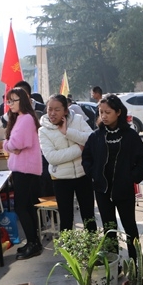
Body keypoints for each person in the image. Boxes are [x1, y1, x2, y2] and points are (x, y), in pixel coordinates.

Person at [82, 94, 143, 260]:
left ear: (118, 112)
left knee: (130, 227)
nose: (104, 116)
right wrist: (94, 174)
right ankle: (113, 264)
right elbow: (86, 158)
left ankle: (135, 262)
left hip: (124, 189)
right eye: (101, 112)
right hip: (102, 190)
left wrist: (131, 178)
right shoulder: (96, 136)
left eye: (108, 112)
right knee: (109, 228)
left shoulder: (130, 135)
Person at [39, 94, 96, 232]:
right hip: (61, 179)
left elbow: (92, 139)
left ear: (65, 110)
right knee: (66, 219)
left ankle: (93, 243)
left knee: (89, 217)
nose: (52, 113)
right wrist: (79, 149)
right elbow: (52, 158)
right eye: (50, 109)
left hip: (83, 175)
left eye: (57, 109)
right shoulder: (43, 130)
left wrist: (68, 132)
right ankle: (68, 246)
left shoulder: (78, 119)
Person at [3, 87, 43, 260]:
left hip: (25, 169)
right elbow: (14, 144)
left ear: (23, 101)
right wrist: (10, 145)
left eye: (13, 100)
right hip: (24, 168)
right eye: (9, 101)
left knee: (21, 207)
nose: (10, 104)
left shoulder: (26, 118)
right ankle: (33, 242)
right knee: (26, 206)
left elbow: (15, 144)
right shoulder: (21, 117)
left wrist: (6, 144)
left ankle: (33, 242)